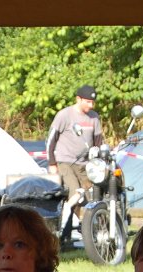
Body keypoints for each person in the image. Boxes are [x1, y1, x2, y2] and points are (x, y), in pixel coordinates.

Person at [45, 84, 103, 225]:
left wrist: (99, 163)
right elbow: (50, 140)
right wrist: (52, 163)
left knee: (92, 195)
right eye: (88, 102)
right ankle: (63, 226)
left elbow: (98, 143)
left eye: (93, 102)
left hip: (85, 164)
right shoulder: (64, 115)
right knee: (74, 191)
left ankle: (88, 229)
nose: (91, 105)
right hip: (65, 162)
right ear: (78, 99)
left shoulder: (94, 118)